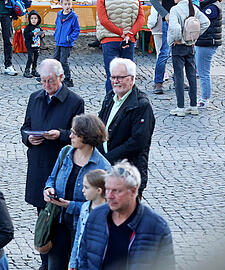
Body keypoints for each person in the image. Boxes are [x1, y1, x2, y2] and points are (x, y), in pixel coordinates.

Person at [21, 59, 85, 251]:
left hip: (61, 166)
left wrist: (60, 135)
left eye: (50, 81)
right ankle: (45, 259)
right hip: (38, 164)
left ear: (61, 77)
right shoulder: (35, 98)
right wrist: (28, 139)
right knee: (43, 218)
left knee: (59, 219)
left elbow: (79, 135)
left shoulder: (75, 102)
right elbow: (25, 127)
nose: (46, 86)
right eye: (43, 81)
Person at [41, 114, 111, 270]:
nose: (70, 135)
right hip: (58, 221)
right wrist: (48, 189)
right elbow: (52, 178)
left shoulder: (102, 167)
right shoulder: (65, 152)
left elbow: (101, 206)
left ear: (86, 137)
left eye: (74, 133)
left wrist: (70, 205)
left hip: (82, 225)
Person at [77, 161, 174, 270]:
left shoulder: (157, 227)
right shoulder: (96, 216)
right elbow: (83, 257)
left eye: (116, 191)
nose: (109, 196)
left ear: (133, 191)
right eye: (108, 189)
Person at [97, 58, 155, 197]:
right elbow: (100, 126)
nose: (116, 81)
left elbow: (137, 143)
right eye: (113, 77)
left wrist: (107, 158)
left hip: (128, 174)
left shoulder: (141, 105)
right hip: (107, 171)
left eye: (120, 77)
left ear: (132, 79)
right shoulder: (110, 97)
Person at [95, 0, 145, 92]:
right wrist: (130, 33)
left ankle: (110, 105)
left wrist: (120, 32)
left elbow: (103, 20)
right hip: (129, 40)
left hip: (109, 40)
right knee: (127, 76)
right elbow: (141, 19)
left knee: (112, 76)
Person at [149, 0, 193, 94]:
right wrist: (165, 14)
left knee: (180, 52)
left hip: (183, 23)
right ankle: (158, 82)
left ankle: (178, 80)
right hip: (168, 23)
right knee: (165, 52)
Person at [166, 0, 209, 116]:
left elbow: (175, 29)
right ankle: (193, 105)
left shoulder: (175, 9)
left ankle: (180, 107)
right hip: (191, 46)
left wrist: (174, 40)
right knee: (191, 76)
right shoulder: (193, 8)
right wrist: (193, 37)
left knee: (179, 76)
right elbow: (206, 22)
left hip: (178, 47)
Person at [68, 169, 107, 270]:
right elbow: (78, 236)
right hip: (83, 261)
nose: (83, 190)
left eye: (86, 187)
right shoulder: (85, 207)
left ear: (99, 190)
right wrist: (73, 262)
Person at [194, 0, 221, 109]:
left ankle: (205, 98)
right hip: (205, 41)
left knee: (204, 72)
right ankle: (204, 97)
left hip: (207, 42)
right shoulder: (208, 5)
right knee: (202, 71)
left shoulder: (212, 7)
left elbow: (202, 20)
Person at [52, 0, 80, 87]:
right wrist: (56, 35)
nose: (68, 6)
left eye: (69, 4)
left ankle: (68, 79)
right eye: (65, 4)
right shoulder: (59, 14)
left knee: (63, 61)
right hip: (59, 41)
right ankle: (51, 76)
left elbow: (76, 30)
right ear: (61, 4)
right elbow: (57, 25)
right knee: (55, 59)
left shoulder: (73, 16)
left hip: (66, 43)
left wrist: (69, 38)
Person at [22, 10, 44, 78]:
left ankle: (34, 70)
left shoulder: (38, 27)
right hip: (30, 45)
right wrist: (32, 34)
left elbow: (41, 34)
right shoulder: (28, 27)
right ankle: (27, 70)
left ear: (38, 19)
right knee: (30, 58)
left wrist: (42, 35)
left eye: (35, 18)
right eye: (32, 18)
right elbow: (26, 36)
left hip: (37, 45)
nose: (33, 20)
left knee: (35, 59)